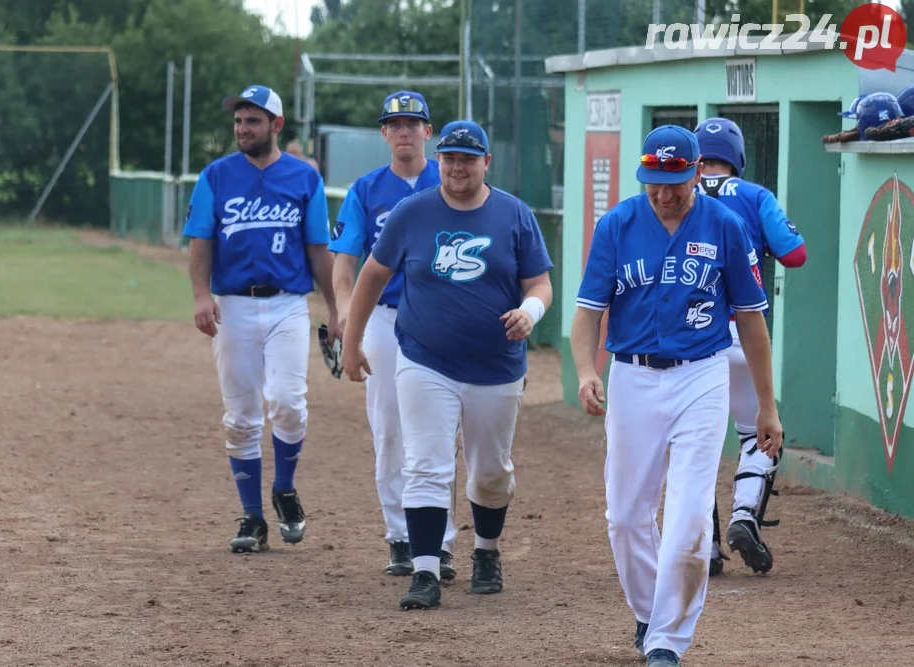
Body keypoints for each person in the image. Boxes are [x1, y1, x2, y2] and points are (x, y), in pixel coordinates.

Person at [570, 125, 783, 666]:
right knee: (624, 516)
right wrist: (583, 371)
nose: (664, 194)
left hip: (701, 375)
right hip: (632, 376)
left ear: (696, 173)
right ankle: (649, 612)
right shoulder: (618, 224)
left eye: (675, 183)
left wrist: (766, 404)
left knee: (689, 515)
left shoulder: (726, 226)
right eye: (653, 184)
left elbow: (752, 322)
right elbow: (588, 313)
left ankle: (668, 640)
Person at [341, 120, 553, 610]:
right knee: (426, 464)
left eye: (467, 158)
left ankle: (486, 551)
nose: (457, 167)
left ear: (486, 163)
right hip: (424, 359)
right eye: (450, 158)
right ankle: (425, 570)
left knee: (490, 472)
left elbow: (540, 284)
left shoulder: (514, 215)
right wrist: (351, 343)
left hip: (496, 364)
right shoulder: (412, 213)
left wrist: (530, 311)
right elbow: (372, 276)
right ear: (439, 161)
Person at [183, 84, 339, 554]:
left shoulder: (303, 179)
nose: (241, 128)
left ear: (276, 125)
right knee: (241, 415)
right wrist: (200, 295)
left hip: (288, 303)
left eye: (252, 120)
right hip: (233, 305)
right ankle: (252, 517)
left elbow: (317, 248)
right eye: (237, 120)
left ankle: (284, 489)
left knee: (289, 401)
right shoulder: (216, 176)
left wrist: (335, 307)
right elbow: (200, 241)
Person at [329, 91, 459, 579]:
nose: (404, 131)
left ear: (429, 131)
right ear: (384, 134)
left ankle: (440, 543)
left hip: (442, 317)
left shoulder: (453, 176)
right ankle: (401, 537)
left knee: (439, 432)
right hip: (384, 318)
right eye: (395, 124)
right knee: (389, 431)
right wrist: (347, 316)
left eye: (413, 123)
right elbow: (345, 261)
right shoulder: (366, 189)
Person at [692, 118, 807, 577]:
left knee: (694, 442)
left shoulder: (678, 192)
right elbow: (795, 254)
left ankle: (707, 546)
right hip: (745, 333)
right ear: (737, 155)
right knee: (757, 432)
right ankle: (744, 515)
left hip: (695, 337)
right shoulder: (755, 195)